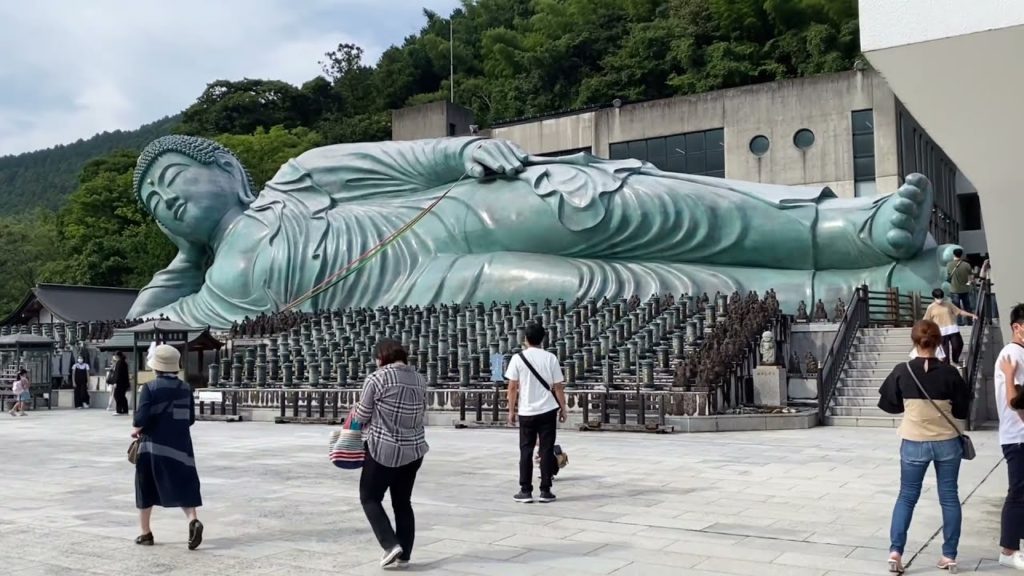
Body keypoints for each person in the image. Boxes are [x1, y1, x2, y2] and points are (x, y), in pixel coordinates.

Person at [126, 135, 954, 330]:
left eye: (173, 179)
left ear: (229, 169)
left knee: (621, 202)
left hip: (456, 212)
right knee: (619, 290)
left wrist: (462, 150)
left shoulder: (297, 179)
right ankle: (876, 288)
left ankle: (847, 223)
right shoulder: (214, 293)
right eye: (154, 205)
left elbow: (409, 160)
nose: (166, 199)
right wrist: (192, 251)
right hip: (438, 290)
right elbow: (141, 322)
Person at [878, 319, 970, 574]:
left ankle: (896, 551)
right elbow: (963, 410)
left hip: (914, 441)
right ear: (939, 341)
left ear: (914, 340)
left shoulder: (902, 370)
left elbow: (888, 404)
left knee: (907, 496)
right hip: (947, 442)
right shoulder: (951, 372)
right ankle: (949, 555)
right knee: (949, 497)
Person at [351, 339, 428, 569]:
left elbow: (362, 415)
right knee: (403, 502)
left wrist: (355, 411)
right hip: (413, 449)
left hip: (383, 448)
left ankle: (390, 544)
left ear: (381, 357)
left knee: (369, 497)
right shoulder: (419, 379)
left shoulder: (377, 378)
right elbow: (422, 411)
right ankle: (405, 554)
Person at [132, 345, 204, 550]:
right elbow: (189, 419)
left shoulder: (149, 388)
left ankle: (145, 533)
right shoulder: (186, 388)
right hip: (181, 447)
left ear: (156, 367)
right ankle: (193, 520)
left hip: (153, 447)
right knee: (183, 484)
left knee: (145, 487)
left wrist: (137, 428)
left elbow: (140, 418)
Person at [505, 322, 567, 504]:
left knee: (525, 450)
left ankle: (525, 490)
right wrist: (563, 408)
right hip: (548, 410)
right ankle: (546, 490)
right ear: (543, 339)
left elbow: (512, 387)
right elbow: (558, 387)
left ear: (525, 339)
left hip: (526, 411)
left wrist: (511, 410)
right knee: (546, 450)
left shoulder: (518, 358)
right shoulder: (550, 358)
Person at [995, 304, 1024, 570]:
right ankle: (1008, 549)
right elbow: (1015, 401)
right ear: (1017, 327)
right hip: (1018, 436)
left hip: (1018, 435)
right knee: (1018, 491)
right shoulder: (1012, 355)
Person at [923, 288, 978, 366]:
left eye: (941, 297)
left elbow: (959, 311)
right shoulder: (931, 307)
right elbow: (926, 320)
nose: (940, 300)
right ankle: (947, 368)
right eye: (938, 298)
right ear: (934, 297)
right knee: (945, 353)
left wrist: (971, 315)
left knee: (958, 345)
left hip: (952, 329)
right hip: (941, 332)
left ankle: (955, 360)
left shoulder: (948, 304)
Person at [946, 248, 972, 326]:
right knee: (967, 306)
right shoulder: (967, 265)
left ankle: (959, 322)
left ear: (954, 254)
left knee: (956, 307)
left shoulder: (949, 264)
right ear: (961, 255)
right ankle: (970, 321)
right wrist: (968, 284)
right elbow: (970, 277)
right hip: (965, 289)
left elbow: (948, 275)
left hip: (954, 289)